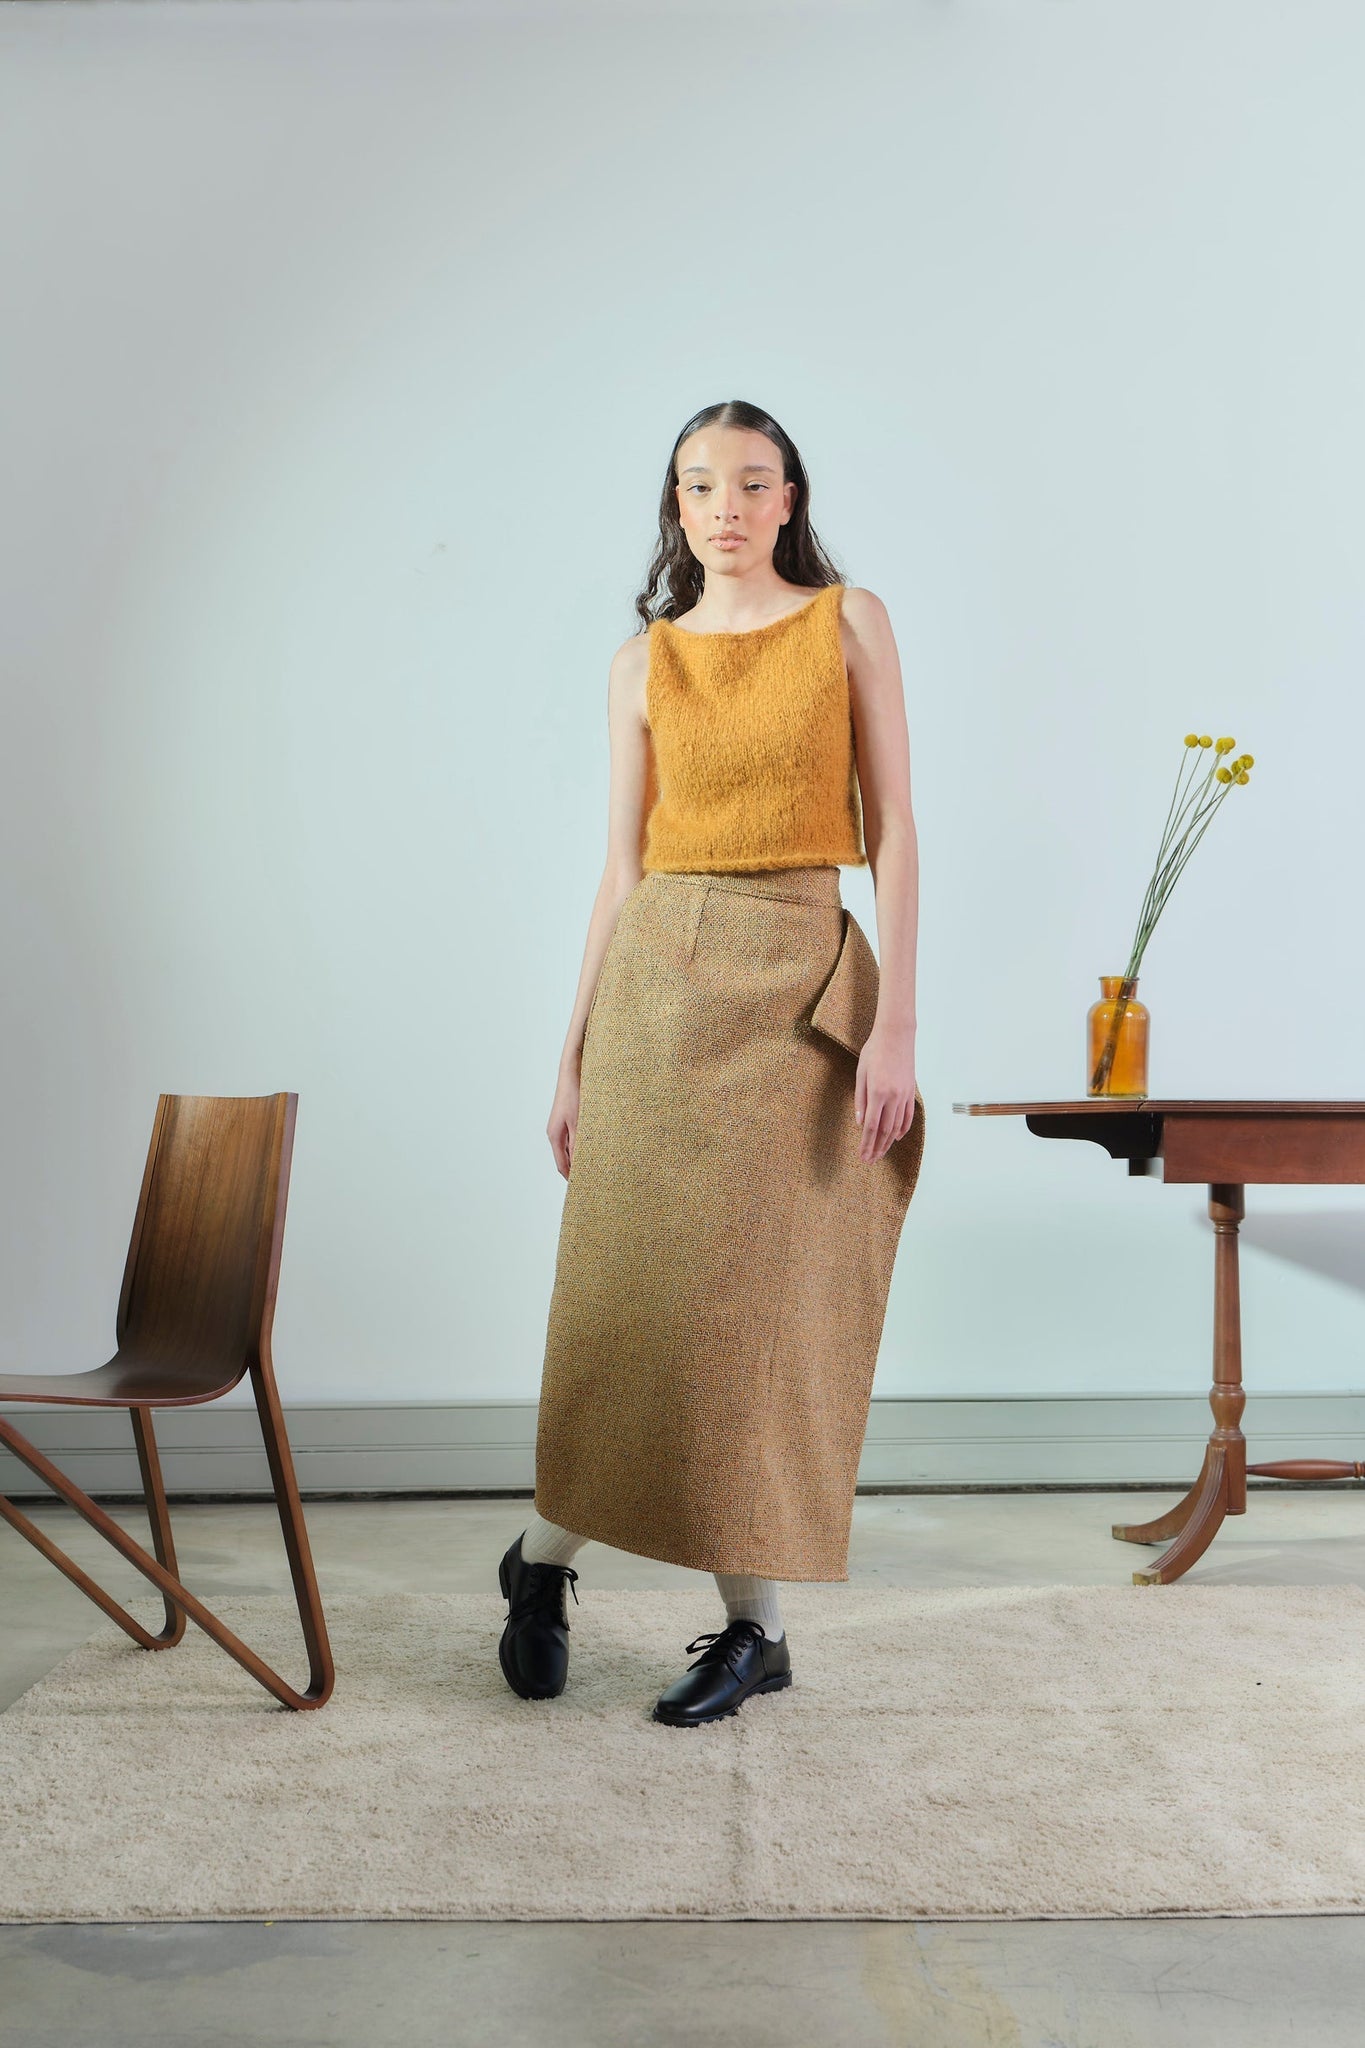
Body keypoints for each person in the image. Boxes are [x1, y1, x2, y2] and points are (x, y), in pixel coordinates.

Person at [498, 398, 926, 1726]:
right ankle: (556, 1562)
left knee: (748, 1317)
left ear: (790, 497)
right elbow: (618, 870)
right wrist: (570, 1055)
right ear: (675, 509)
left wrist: (894, 1024)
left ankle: (735, 1621)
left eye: (751, 481)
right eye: (699, 486)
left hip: (795, 979)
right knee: (627, 1315)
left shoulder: (847, 620)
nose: (725, 506)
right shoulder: (642, 661)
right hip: (654, 993)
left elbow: (898, 828)